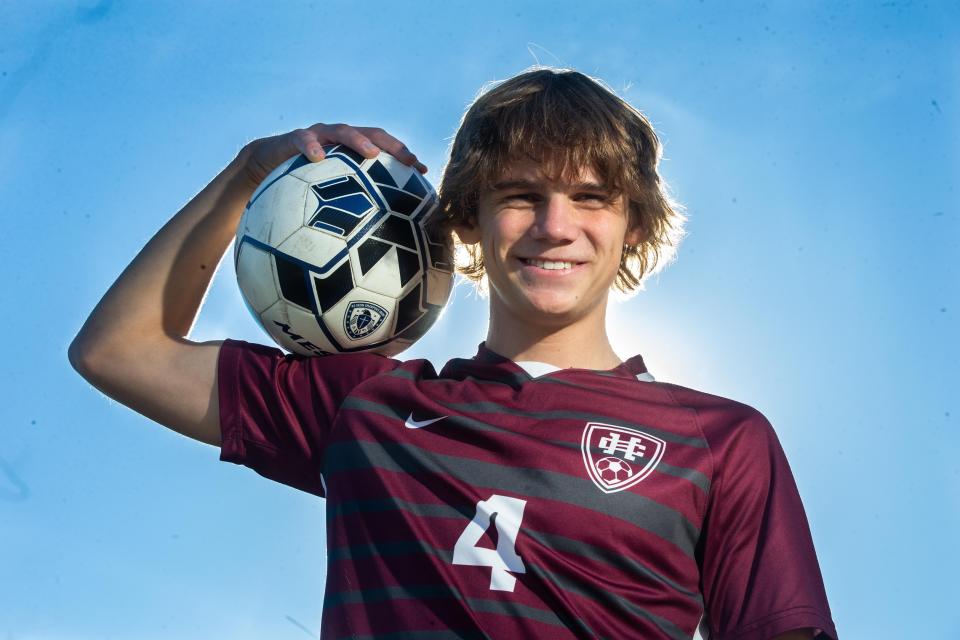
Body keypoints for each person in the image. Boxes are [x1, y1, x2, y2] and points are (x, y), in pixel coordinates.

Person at [69, 68, 839, 639]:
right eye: (520, 195)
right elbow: (119, 351)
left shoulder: (721, 442)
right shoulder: (369, 408)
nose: (554, 225)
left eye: (591, 198)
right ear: (467, 219)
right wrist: (246, 175)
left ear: (633, 225)